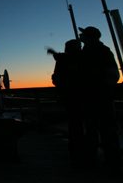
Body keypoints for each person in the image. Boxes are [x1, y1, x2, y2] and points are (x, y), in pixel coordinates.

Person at [78, 26, 121, 172]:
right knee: (96, 131)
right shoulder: (95, 51)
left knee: (103, 132)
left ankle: (109, 164)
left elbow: (112, 75)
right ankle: (104, 162)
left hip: (99, 99)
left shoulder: (100, 52)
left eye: (83, 35)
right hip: (97, 98)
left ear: (90, 37)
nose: (81, 36)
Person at [48, 39, 85, 167]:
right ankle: (86, 153)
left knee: (75, 125)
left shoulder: (62, 60)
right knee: (87, 126)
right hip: (85, 97)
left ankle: (76, 154)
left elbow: (56, 77)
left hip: (69, 97)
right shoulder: (83, 58)